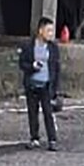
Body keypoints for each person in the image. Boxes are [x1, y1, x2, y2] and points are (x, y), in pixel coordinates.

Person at [18, 17, 61, 152]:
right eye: (48, 30)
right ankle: (34, 137)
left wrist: (56, 88)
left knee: (48, 112)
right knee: (33, 112)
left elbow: (57, 68)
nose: (50, 34)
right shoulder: (29, 46)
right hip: (32, 84)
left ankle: (52, 139)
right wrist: (32, 66)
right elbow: (22, 63)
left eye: (52, 31)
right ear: (40, 31)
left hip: (46, 85)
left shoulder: (53, 48)